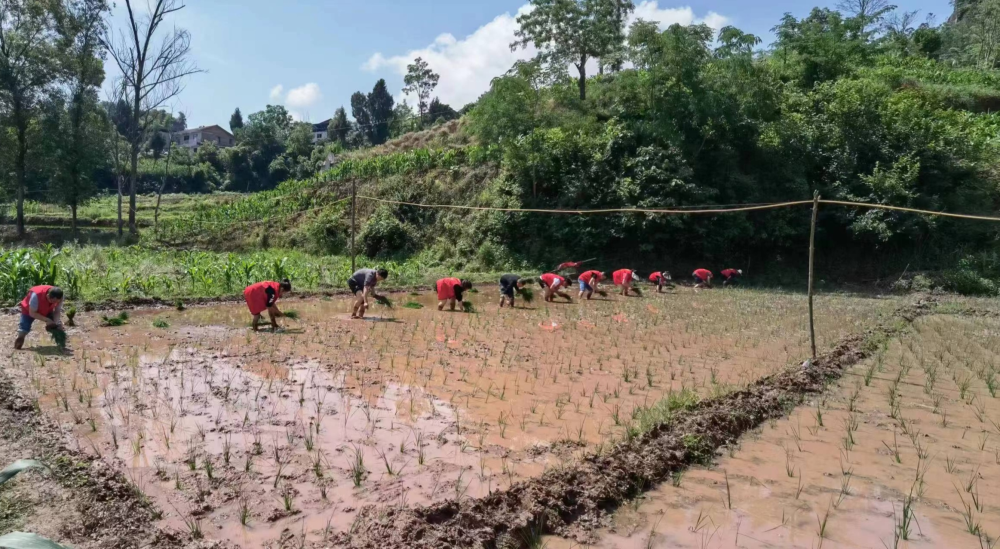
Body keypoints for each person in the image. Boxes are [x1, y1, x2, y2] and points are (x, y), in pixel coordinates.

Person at [15, 285, 65, 350]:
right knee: (24, 328)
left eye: (56, 302)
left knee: (57, 326)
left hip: (47, 309)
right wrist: (47, 320)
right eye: (52, 301)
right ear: (47, 296)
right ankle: (18, 344)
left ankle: (61, 344)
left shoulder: (60, 296)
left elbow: (57, 311)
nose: (54, 303)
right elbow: (32, 313)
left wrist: (55, 322)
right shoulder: (35, 296)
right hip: (29, 310)